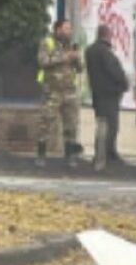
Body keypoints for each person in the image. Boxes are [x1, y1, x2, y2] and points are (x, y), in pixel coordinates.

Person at [37, 19, 83, 167]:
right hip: (52, 91)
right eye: (66, 28)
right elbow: (43, 61)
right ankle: (41, 155)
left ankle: (70, 156)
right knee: (45, 123)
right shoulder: (48, 43)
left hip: (69, 91)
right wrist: (64, 57)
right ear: (58, 29)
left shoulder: (72, 45)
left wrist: (77, 58)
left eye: (70, 28)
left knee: (71, 125)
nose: (69, 31)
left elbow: (80, 68)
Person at [86, 25, 129, 170]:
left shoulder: (90, 51)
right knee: (110, 126)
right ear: (108, 35)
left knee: (101, 123)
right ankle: (106, 155)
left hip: (97, 94)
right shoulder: (105, 52)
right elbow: (114, 71)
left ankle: (101, 155)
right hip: (109, 94)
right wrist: (123, 83)